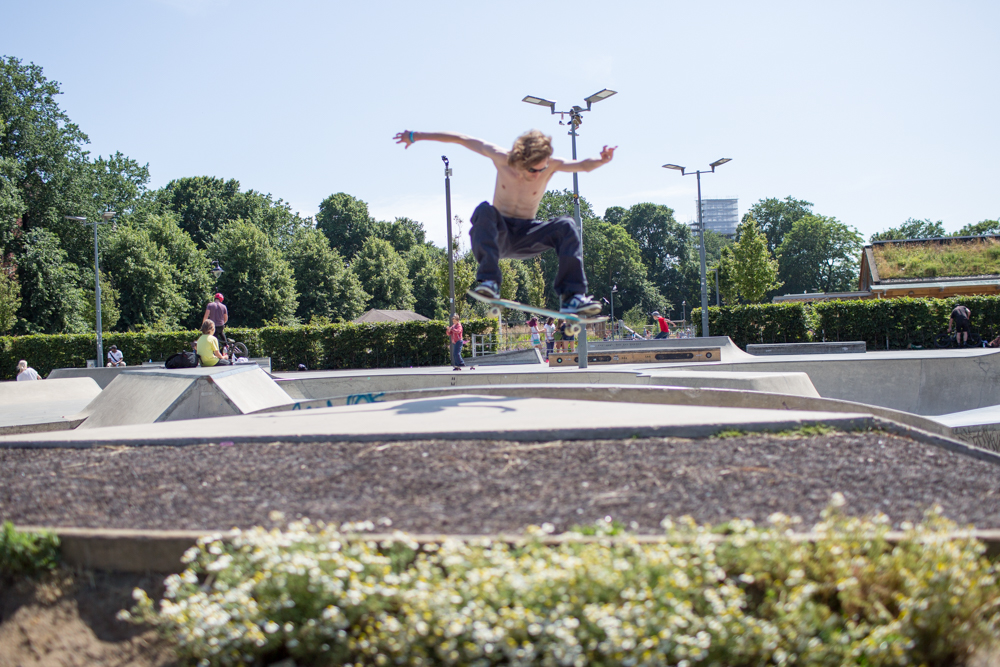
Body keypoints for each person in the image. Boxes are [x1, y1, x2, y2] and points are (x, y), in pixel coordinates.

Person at [395, 129, 615, 315]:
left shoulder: (551, 165)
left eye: (543, 169)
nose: (538, 174)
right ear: (520, 159)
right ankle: (489, 281)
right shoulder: (501, 158)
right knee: (485, 210)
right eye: (533, 170)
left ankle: (572, 297)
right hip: (498, 235)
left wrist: (602, 160)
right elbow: (460, 139)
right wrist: (415, 136)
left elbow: (584, 165)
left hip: (528, 236)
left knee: (566, 225)